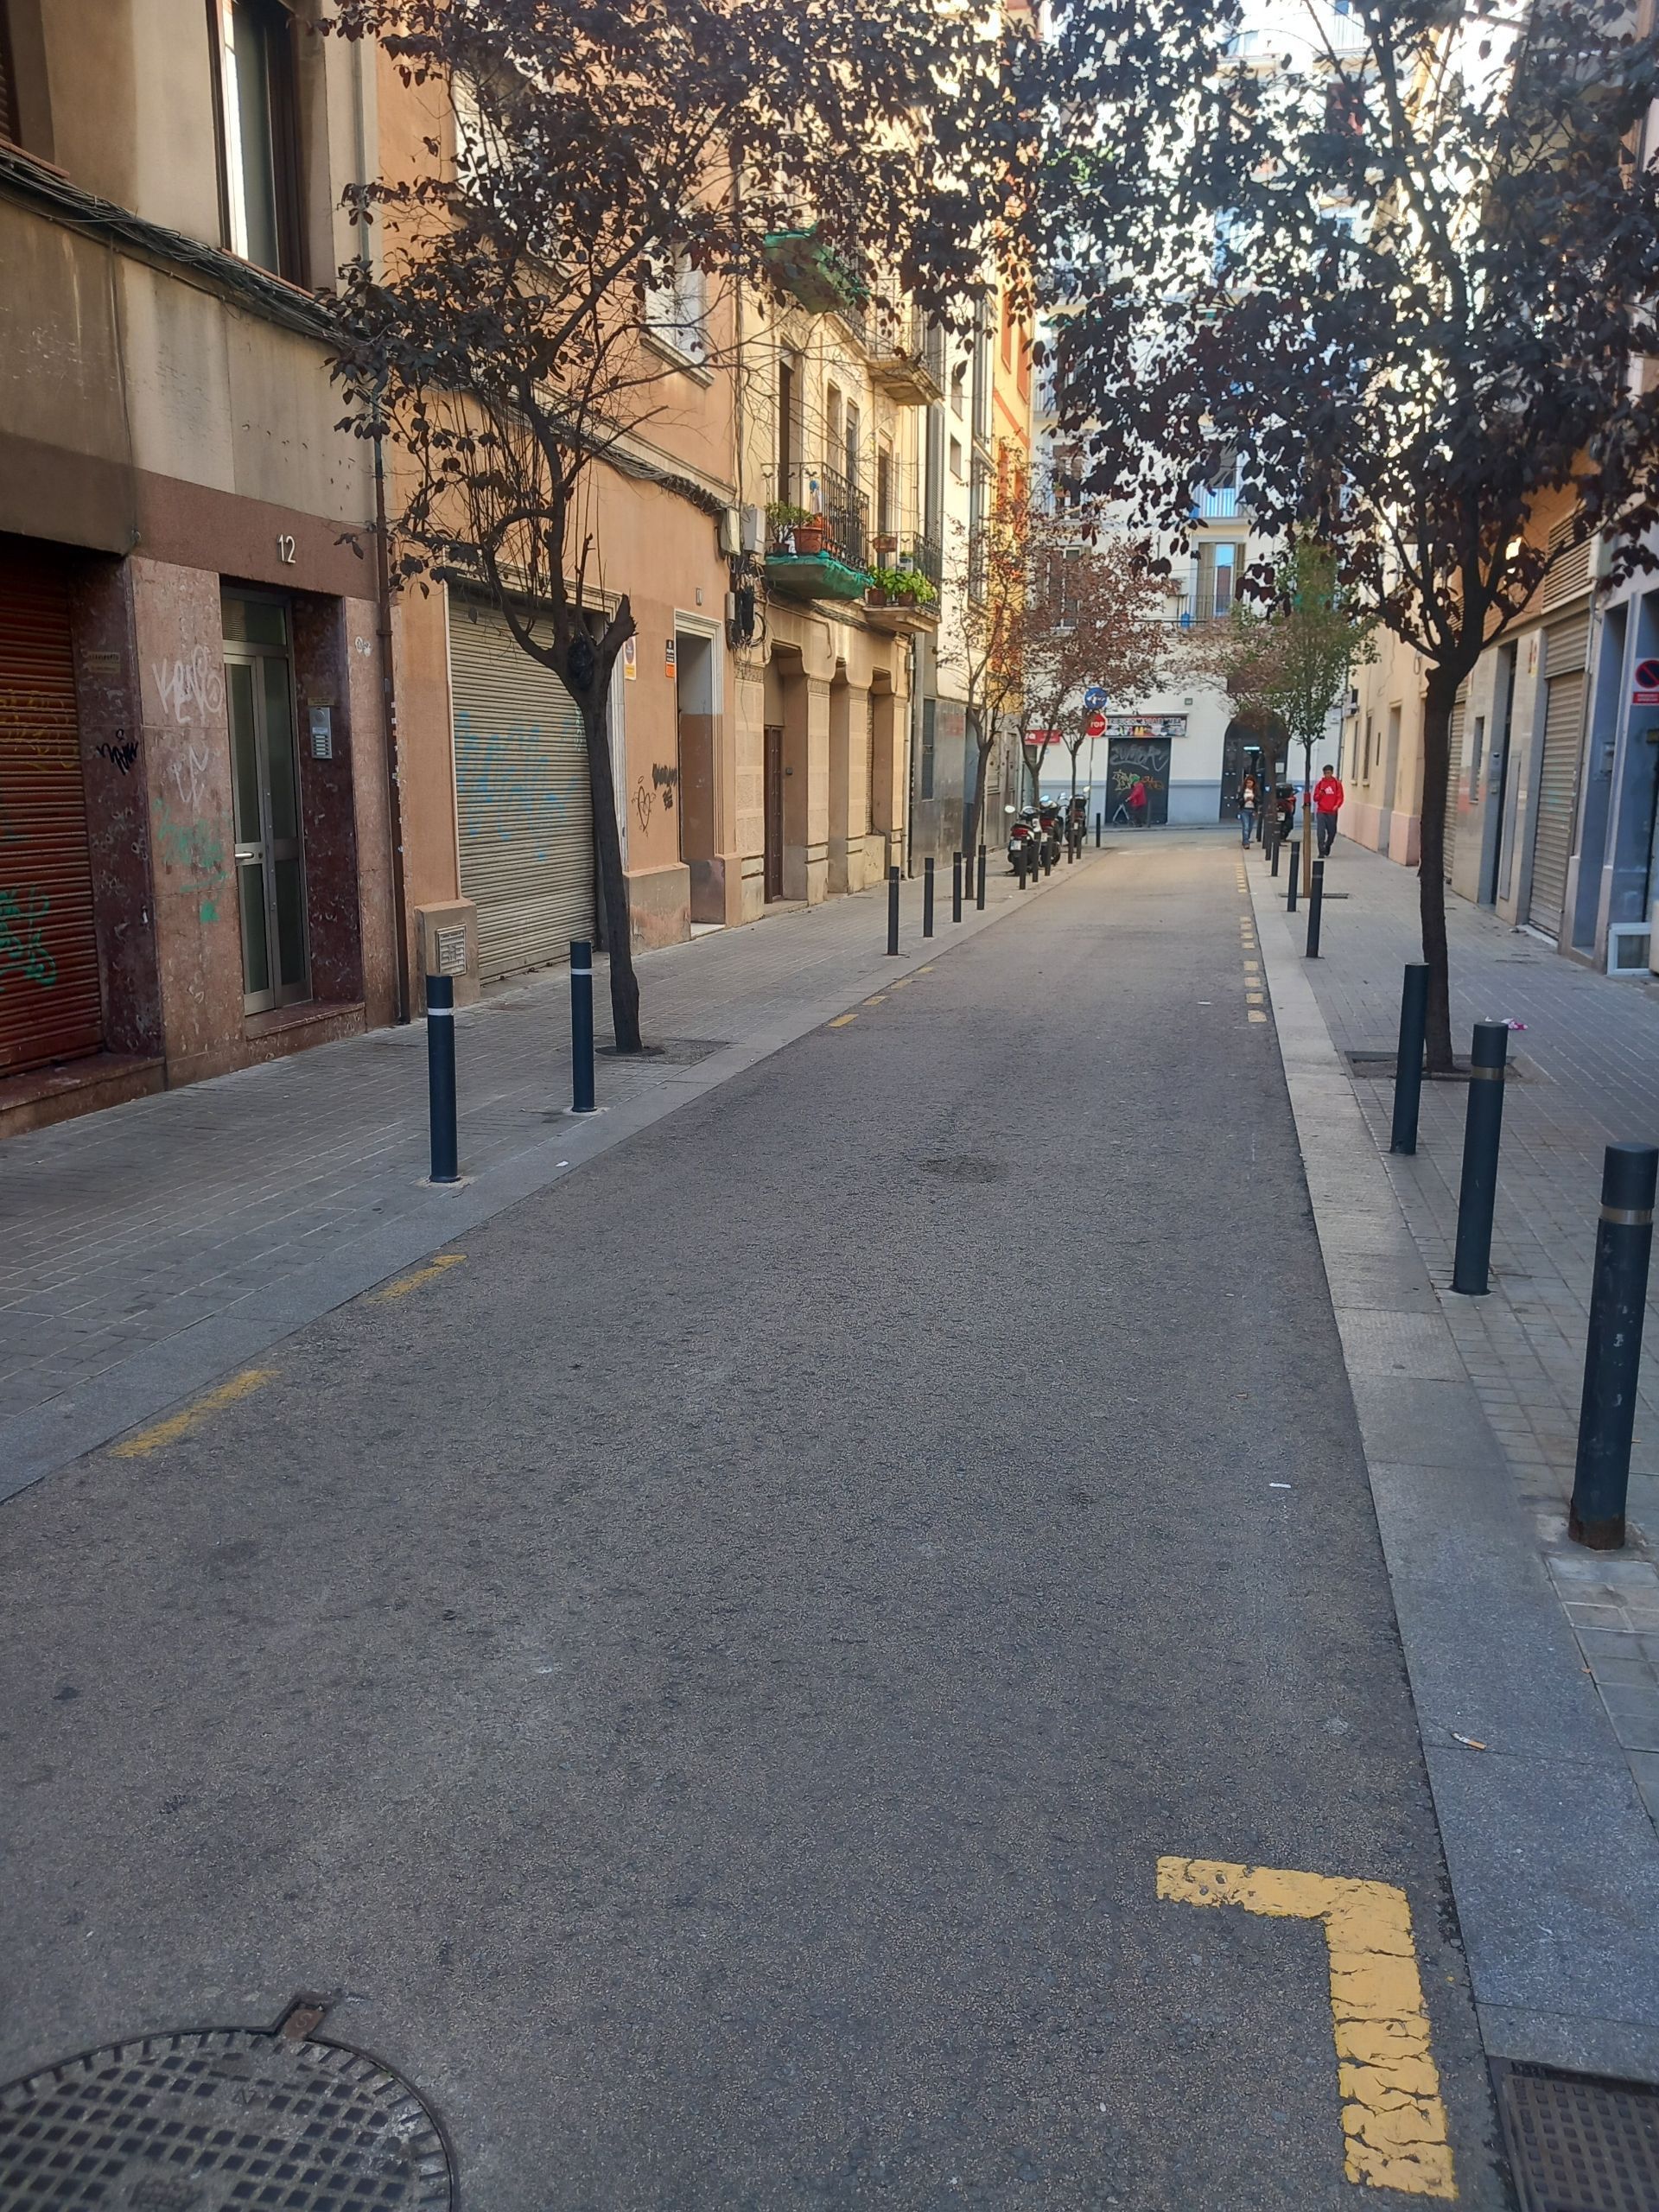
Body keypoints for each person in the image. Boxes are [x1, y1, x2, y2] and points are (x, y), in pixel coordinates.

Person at [1313, 763, 1344, 856]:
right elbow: (1315, 798)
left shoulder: (1337, 784)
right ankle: (1321, 851)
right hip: (1321, 811)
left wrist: (1337, 805)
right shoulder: (1320, 784)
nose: (1327, 775)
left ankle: (1328, 845)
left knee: (1332, 832)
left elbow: (1340, 796)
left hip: (1332, 812)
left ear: (1332, 773)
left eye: (1329, 773)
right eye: (1326, 773)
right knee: (1320, 832)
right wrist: (1320, 794)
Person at [1237, 772, 1259, 849]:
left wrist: (1253, 799)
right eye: (1247, 783)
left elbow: (1259, 800)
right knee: (1246, 826)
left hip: (1253, 810)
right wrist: (1244, 800)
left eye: (1250, 782)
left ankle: (1246, 838)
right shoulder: (1243, 790)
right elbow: (1238, 799)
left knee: (1250, 827)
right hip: (1244, 810)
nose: (1248, 784)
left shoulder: (1256, 791)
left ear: (1253, 783)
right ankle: (1246, 842)